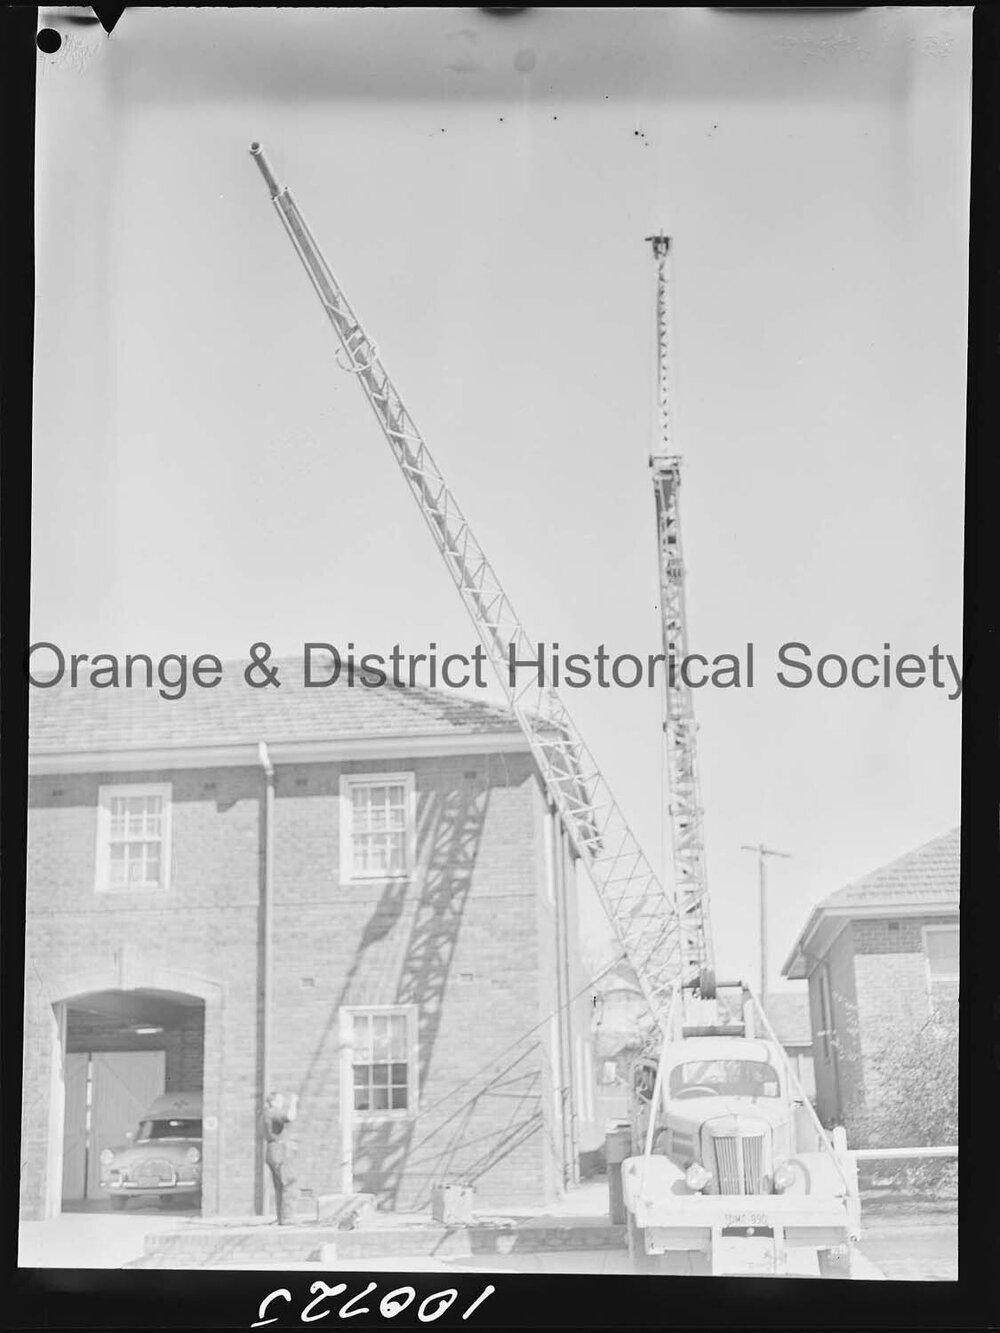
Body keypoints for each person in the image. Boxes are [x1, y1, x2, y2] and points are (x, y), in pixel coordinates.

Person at [262, 1091, 299, 1224]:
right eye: (280, 1100)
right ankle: (287, 1218)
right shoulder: (273, 1112)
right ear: (273, 1101)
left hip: (271, 1151)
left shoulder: (266, 1113)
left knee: (279, 1186)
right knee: (289, 1183)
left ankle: (282, 1217)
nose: (281, 1102)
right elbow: (290, 1116)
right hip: (280, 1151)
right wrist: (294, 1102)